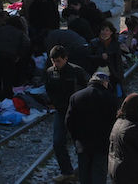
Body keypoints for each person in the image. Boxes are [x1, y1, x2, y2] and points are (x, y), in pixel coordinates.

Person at [46, 45, 89, 183]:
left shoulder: (76, 71)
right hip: (61, 111)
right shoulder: (50, 72)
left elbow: (89, 88)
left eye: (58, 61)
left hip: (78, 112)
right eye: (53, 61)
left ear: (65, 59)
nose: (55, 64)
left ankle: (85, 172)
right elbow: (48, 89)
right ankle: (67, 172)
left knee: (82, 144)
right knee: (58, 142)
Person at [66, 72, 118, 184]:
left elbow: (69, 121)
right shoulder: (111, 98)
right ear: (105, 82)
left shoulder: (76, 97)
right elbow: (115, 122)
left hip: (82, 143)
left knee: (84, 174)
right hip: (102, 143)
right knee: (99, 174)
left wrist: (76, 138)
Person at [89, 21, 125, 99]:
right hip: (97, 74)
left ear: (111, 32)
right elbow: (89, 58)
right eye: (102, 30)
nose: (104, 32)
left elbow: (118, 62)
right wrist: (100, 57)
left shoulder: (115, 44)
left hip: (112, 75)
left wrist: (119, 77)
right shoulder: (94, 43)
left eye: (107, 30)